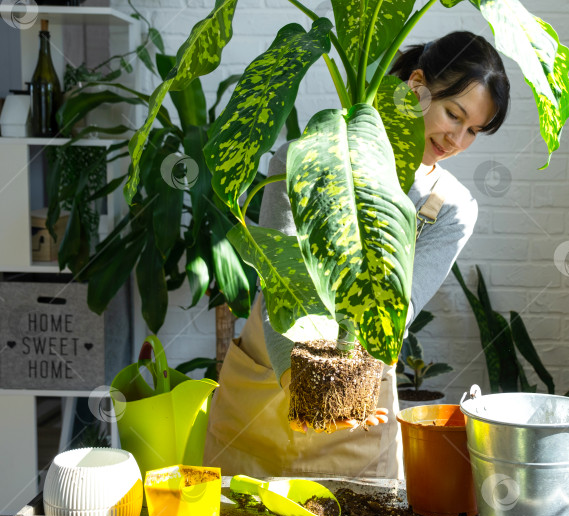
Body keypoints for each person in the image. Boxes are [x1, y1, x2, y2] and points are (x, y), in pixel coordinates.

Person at [204, 30, 510, 479]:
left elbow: (393, 313)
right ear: (417, 85)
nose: (457, 140)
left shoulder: (452, 208)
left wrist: (335, 391)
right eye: (453, 115)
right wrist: (300, 383)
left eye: (473, 131)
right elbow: (282, 291)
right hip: (263, 388)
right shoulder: (301, 161)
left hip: (356, 405)